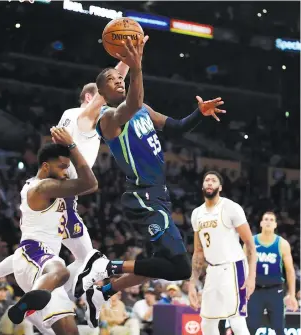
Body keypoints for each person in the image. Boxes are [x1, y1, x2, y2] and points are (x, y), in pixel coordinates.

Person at [0, 61, 129, 329]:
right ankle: (80, 295)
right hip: (59, 191)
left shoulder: (73, 119)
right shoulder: (82, 117)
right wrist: (128, 61)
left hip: (58, 193)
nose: (106, 109)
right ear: (89, 97)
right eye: (100, 102)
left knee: (40, 245)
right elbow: (106, 92)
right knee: (88, 260)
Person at [73, 35, 226, 318]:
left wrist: (199, 113)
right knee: (179, 267)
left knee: (158, 264)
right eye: (111, 79)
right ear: (101, 93)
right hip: (142, 195)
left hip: (158, 194)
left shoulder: (144, 110)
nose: (118, 80)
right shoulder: (108, 118)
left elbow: (177, 127)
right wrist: (136, 67)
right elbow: (131, 103)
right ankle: (106, 267)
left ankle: (104, 290)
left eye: (118, 77)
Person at [8, 129, 98, 335]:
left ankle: (34, 300)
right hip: (34, 254)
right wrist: (73, 146)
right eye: (62, 167)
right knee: (62, 271)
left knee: (69, 332)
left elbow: (90, 186)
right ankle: (28, 303)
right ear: (46, 166)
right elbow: (91, 182)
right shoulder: (43, 187)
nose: (66, 172)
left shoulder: (50, 186)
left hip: (40, 266)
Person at [188, 171, 257, 335]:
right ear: (202, 186)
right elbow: (198, 252)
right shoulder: (197, 213)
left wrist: (251, 277)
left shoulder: (231, 208)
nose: (209, 182)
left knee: (237, 322)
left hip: (234, 267)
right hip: (213, 270)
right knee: (207, 323)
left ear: (220, 187)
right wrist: (192, 282)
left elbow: (250, 245)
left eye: (213, 180)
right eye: (206, 180)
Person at [246, 211, 298, 335]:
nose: (268, 222)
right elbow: (242, 267)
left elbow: (290, 271)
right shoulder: (251, 242)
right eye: (266, 219)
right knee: (250, 328)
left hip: (275, 291)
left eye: (271, 220)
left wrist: (292, 294)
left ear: (275, 225)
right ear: (261, 223)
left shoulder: (282, 244)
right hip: (255, 291)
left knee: (279, 329)